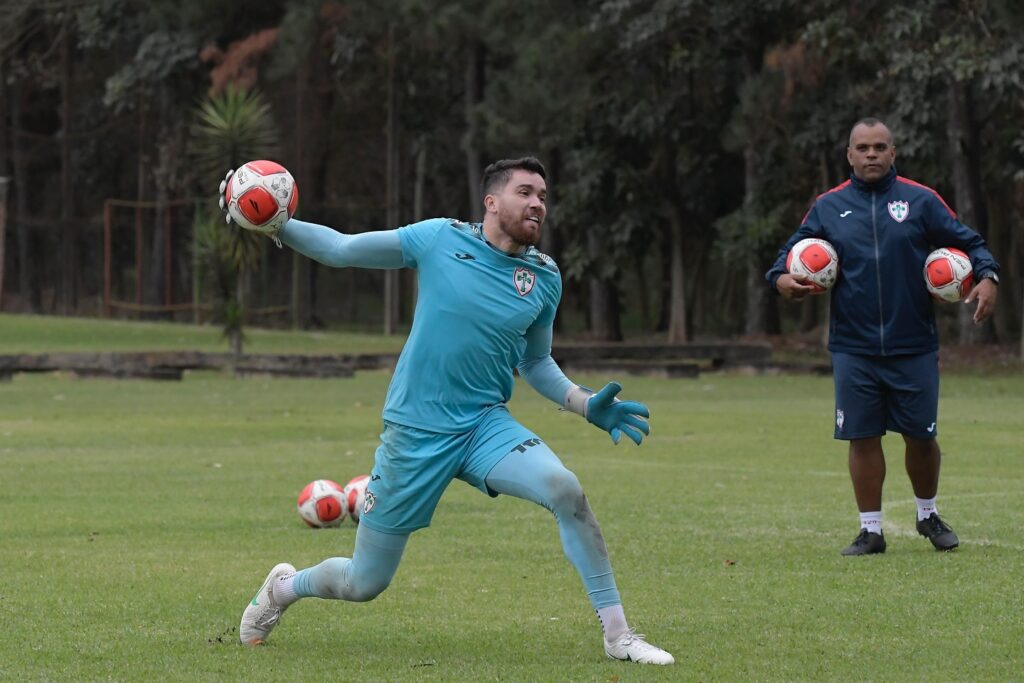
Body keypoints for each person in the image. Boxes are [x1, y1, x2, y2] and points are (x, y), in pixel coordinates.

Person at [221, 157, 674, 664]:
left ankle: (619, 636)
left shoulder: (544, 277)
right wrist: (277, 222)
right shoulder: (439, 239)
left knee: (565, 489)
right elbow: (343, 250)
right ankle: (285, 587)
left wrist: (586, 404)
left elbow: (537, 361)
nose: (537, 204)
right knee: (364, 582)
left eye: (543, 196)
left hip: (485, 426)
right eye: (525, 192)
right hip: (415, 432)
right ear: (491, 202)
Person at [765, 118, 1000, 556]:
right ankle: (870, 530)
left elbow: (972, 242)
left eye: (879, 147)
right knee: (862, 435)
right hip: (853, 346)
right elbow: (786, 255)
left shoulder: (921, 200)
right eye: (863, 147)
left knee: (921, 435)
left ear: (893, 153)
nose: (871, 154)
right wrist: (781, 278)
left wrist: (987, 276)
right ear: (849, 155)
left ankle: (928, 516)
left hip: (914, 343)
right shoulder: (828, 206)